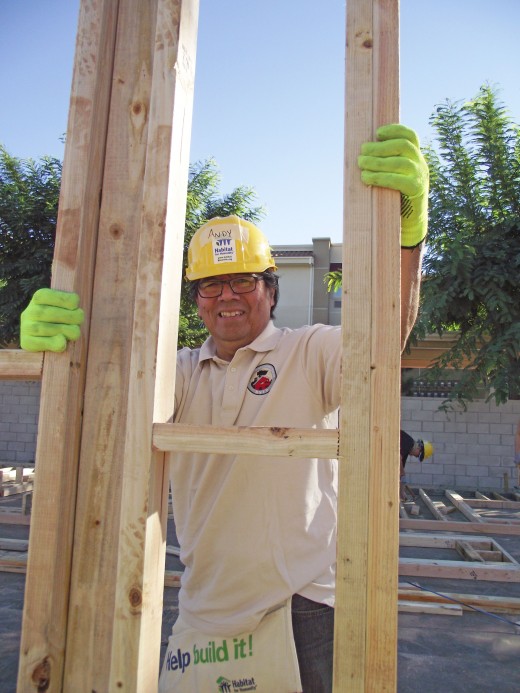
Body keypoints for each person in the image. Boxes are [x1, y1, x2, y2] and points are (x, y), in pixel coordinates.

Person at [20, 123, 428, 692]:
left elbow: (384, 341)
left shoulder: (308, 351)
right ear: (195, 300)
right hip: (204, 610)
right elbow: (106, 398)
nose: (227, 297)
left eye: (242, 281)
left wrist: (406, 242)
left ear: (269, 288)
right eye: (211, 286)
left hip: (302, 607)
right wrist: (63, 352)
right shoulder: (179, 372)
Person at [399, 429, 433, 500]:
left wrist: (401, 491)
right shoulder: (408, 442)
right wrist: (402, 473)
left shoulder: (407, 449)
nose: (415, 456)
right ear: (419, 449)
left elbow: (399, 471)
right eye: (417, 456)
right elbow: (397, 459)